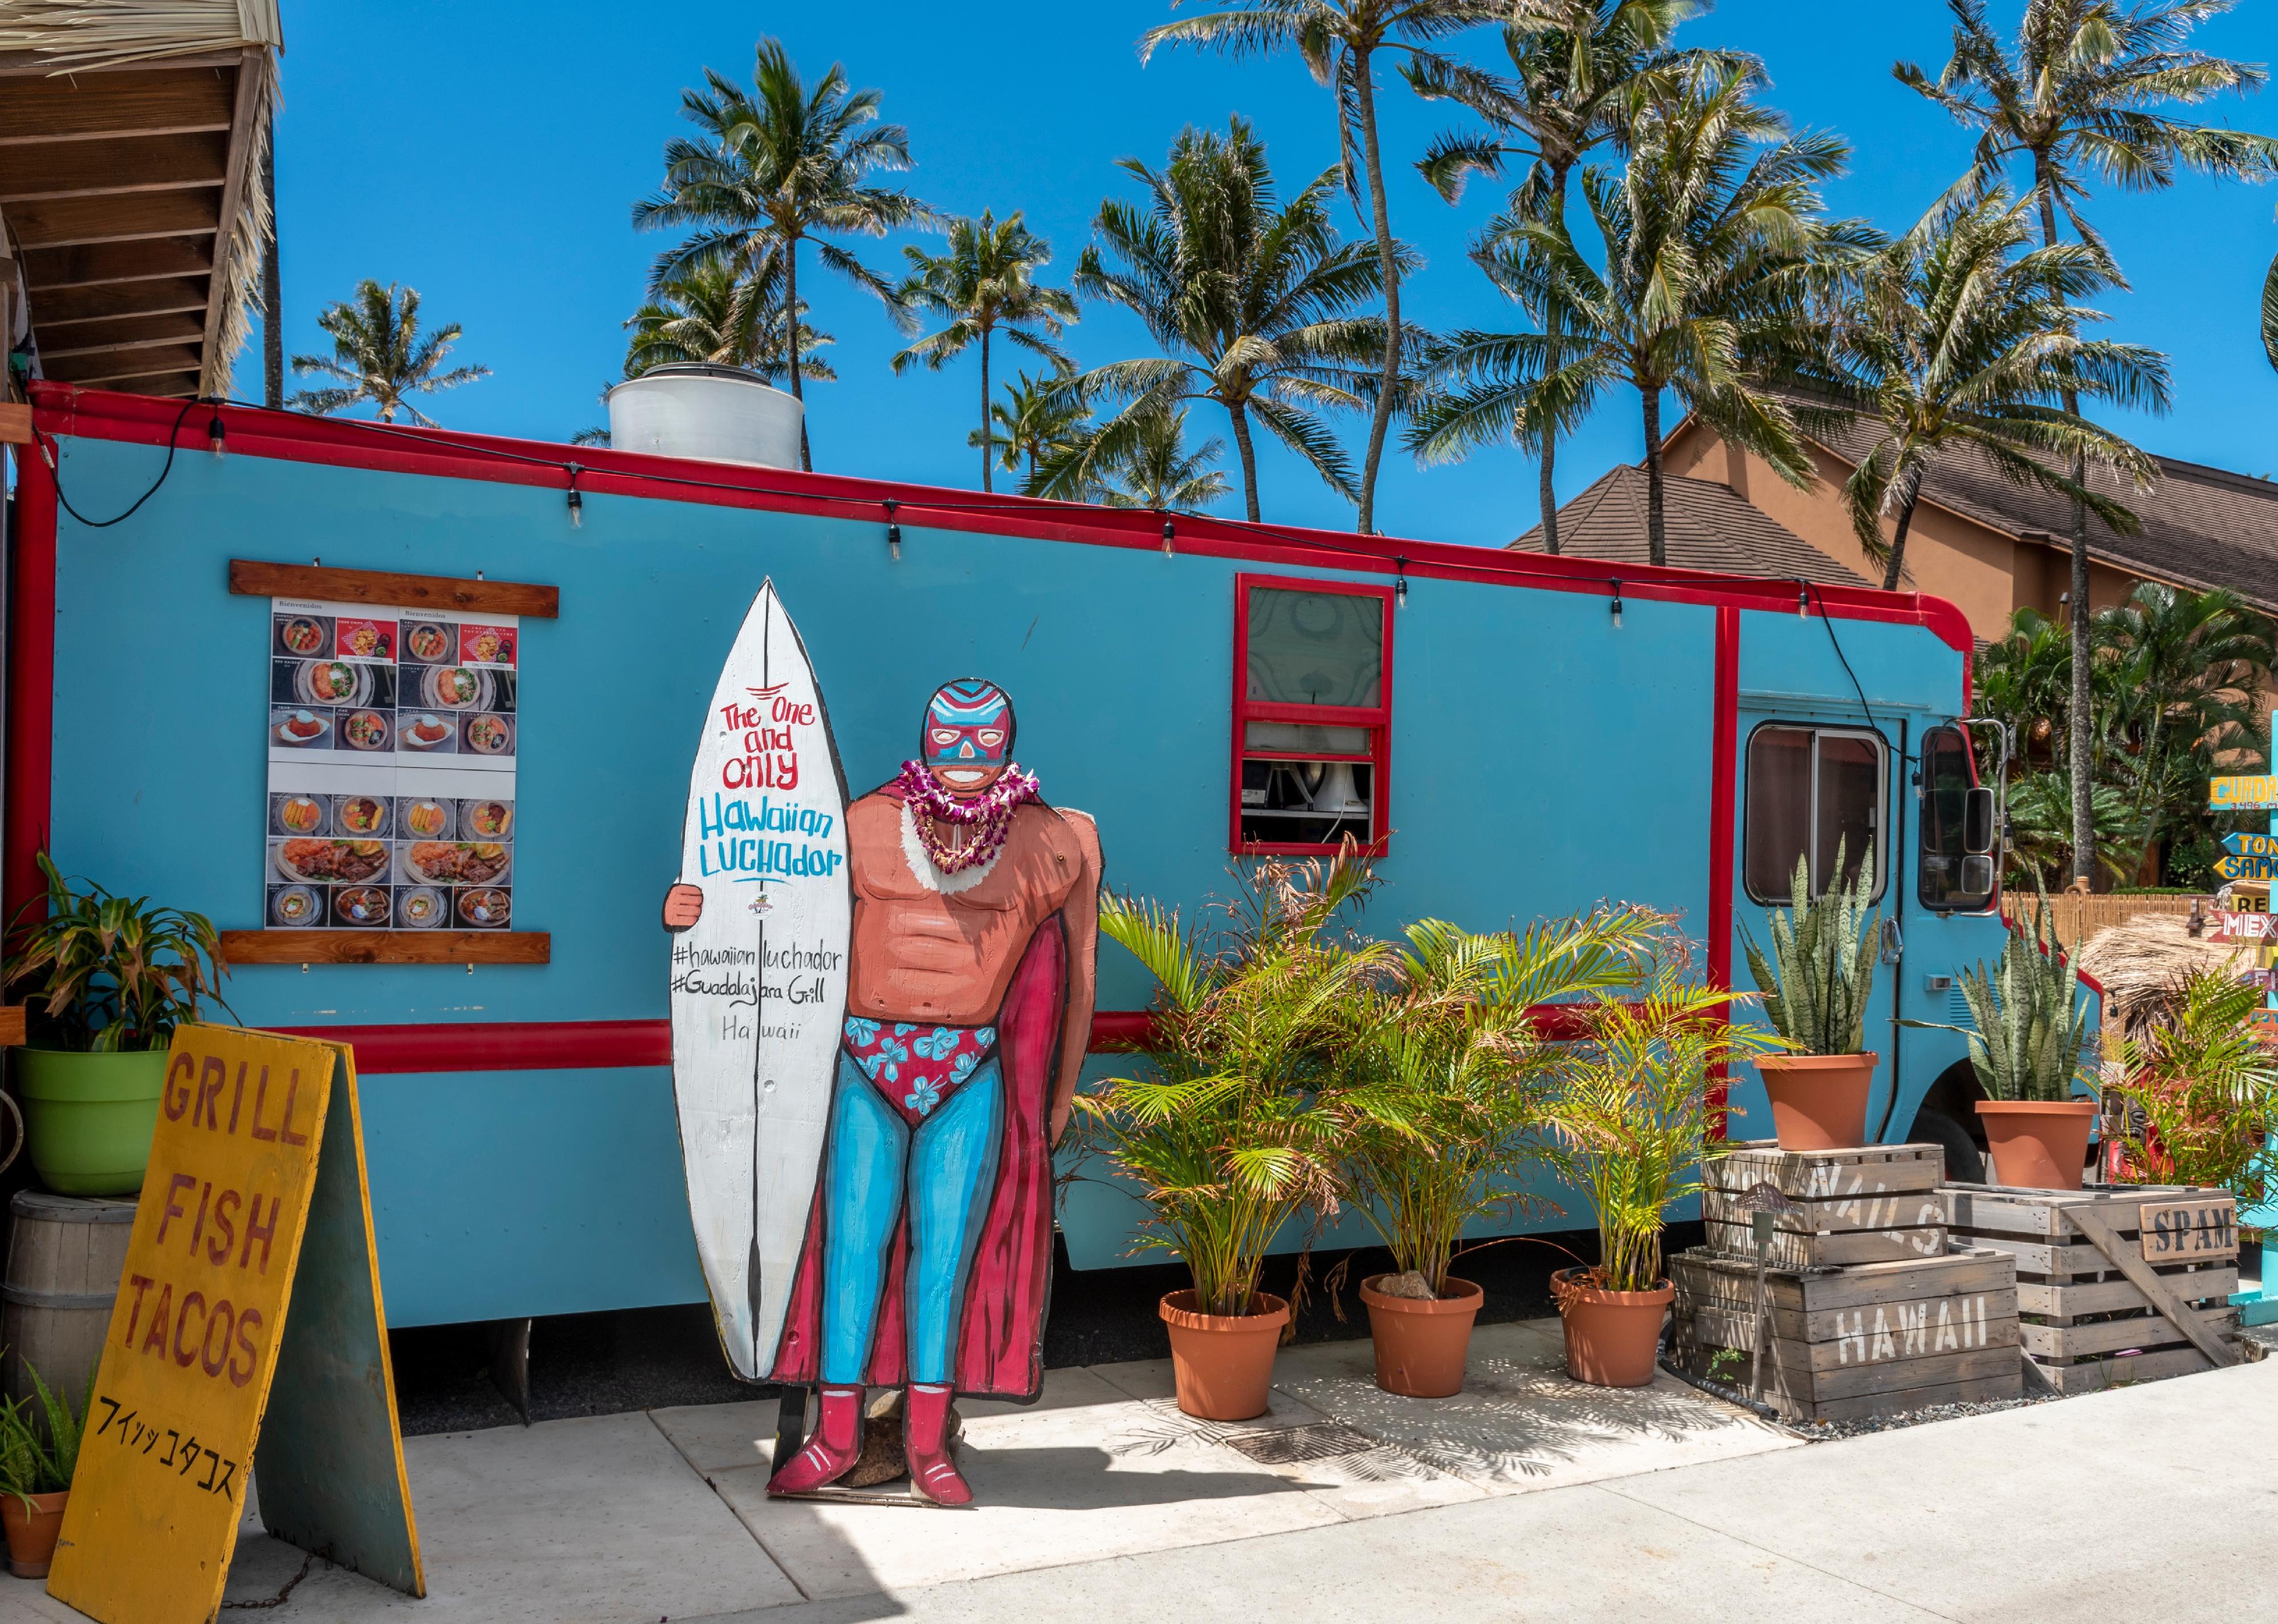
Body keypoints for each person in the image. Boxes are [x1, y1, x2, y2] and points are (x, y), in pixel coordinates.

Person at [663, 678, 1099, 1504]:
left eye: (983, 739)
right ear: (925, 736)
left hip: (967, 1073)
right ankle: (835, 1438)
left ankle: (927, 1444)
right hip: (867, 1063)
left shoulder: (1058, 842)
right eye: (950, 737)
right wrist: (690, 909)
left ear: (1008, 740)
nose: (966, 756)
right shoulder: (858, 824)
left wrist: (1058, 1094)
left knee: (943, 1265)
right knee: (850, 1256)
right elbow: (765, 905)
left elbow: (1077, 981)